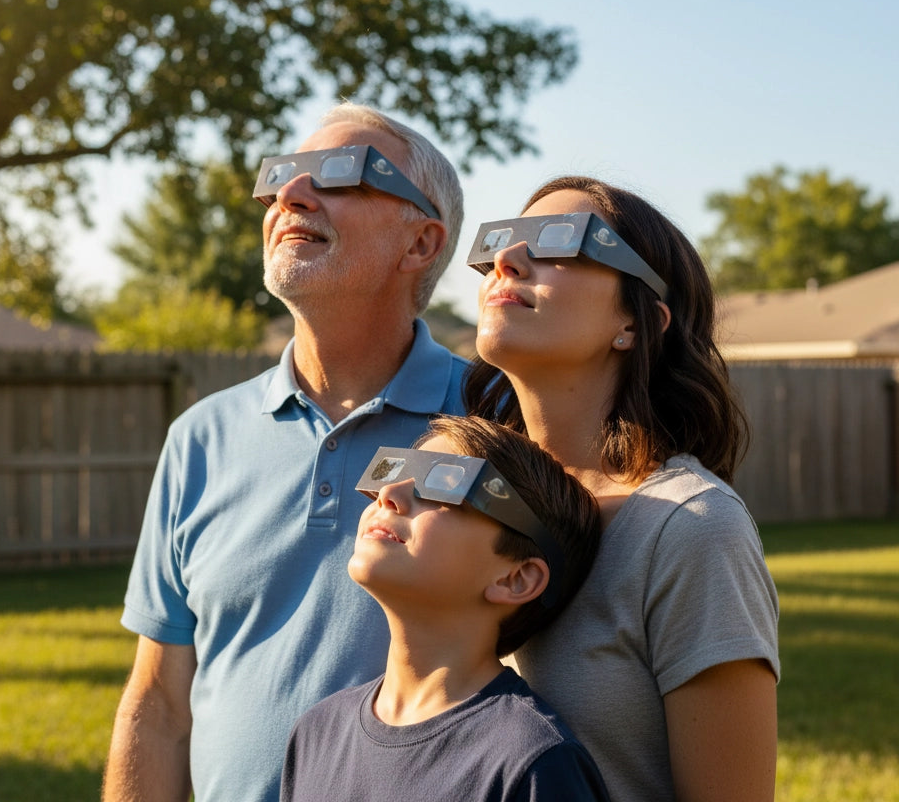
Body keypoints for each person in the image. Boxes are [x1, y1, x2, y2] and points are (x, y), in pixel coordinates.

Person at [103, 102, 468, 802]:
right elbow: (159, 706)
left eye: (340, 174)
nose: (291, 195)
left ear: (420, 243)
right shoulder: (200, 439)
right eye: (283, 177)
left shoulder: (495, 424)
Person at [462, 179, 780, 802]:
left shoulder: (693, 529)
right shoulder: (457, 502)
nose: (507, 259)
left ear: (635, 322)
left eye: (560, 242)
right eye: (500, 241)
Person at [281, 414, 611, 802]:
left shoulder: (534, 762)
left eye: (443, 486)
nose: (389, 494)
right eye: (393, 471)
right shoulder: (316, 733)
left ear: (515, 579)